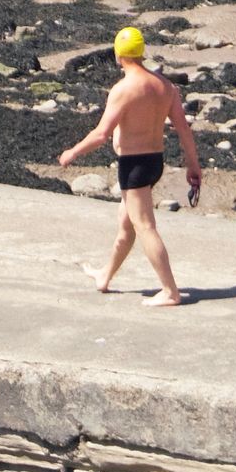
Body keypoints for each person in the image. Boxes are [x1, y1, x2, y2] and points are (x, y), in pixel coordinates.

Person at [57, 27, 203, 307]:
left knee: (145, 226)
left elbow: (101, 134)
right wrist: (193, 166)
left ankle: (170, 290)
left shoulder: (123, 90)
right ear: (140, 52)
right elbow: (184, 130)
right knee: (127, 226)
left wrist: (71, 153)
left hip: (133, 166)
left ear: (118, 55)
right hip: (154, 163)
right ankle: (105, 276)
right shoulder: (165, 86)